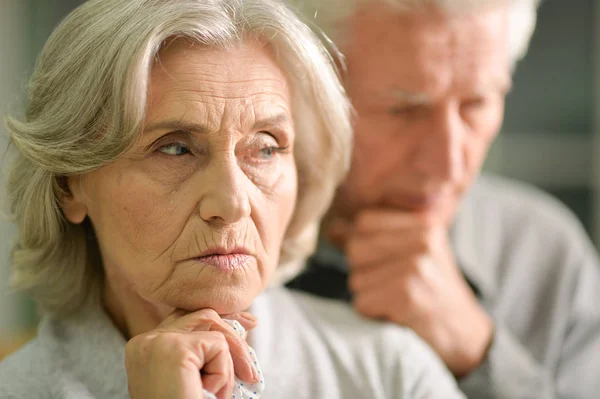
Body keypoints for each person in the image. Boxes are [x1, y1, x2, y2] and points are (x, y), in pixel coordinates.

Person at [0, 0, 468, 398]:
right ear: (69, 185)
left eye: (265, 147)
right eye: (176, 149)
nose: (232, 203)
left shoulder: (389, 373)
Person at [286, 0, 600, 398]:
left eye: (476, 104)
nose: (448, 164)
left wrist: (478, 353)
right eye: (404, 110)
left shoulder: (547, 258)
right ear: (310, 90)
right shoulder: (223, 247)